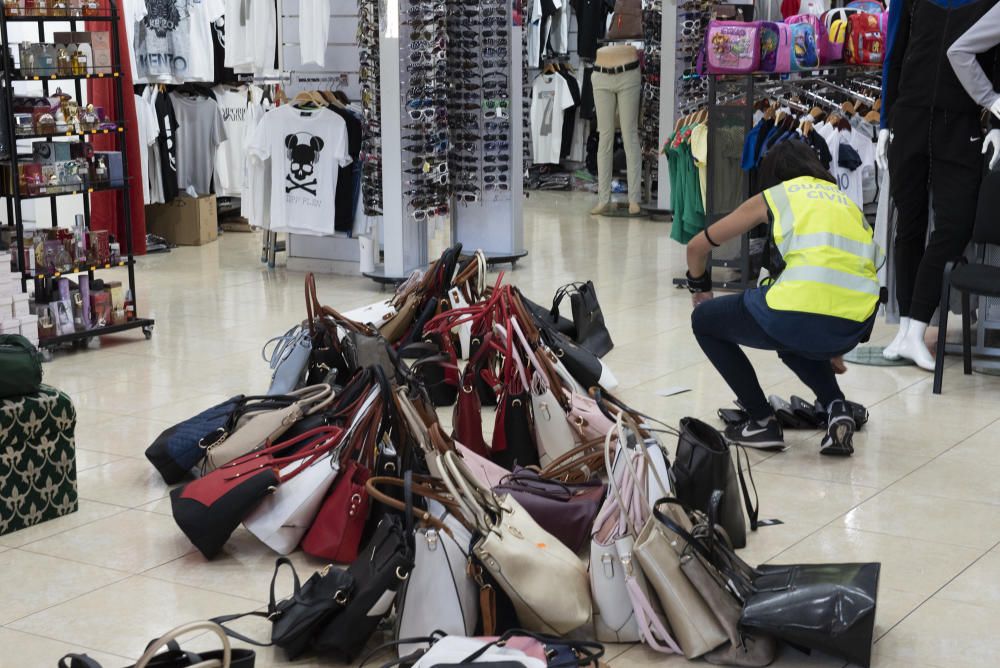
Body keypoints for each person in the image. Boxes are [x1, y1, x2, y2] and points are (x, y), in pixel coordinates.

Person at [686, 141, 883, 456]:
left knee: (705, 322)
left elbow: (697, 247)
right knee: (792, 334)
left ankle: (761, 421)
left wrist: (700, 287)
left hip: (799, 310)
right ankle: (836, 407)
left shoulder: (776, 196)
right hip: (856, 322)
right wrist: (830, 343)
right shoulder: (846, 203)